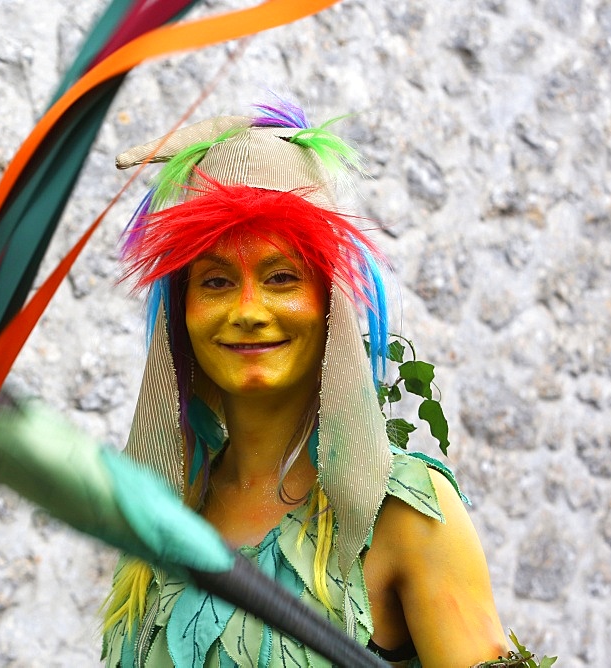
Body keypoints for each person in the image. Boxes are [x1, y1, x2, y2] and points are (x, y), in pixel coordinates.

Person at [99, 100, 508, 667]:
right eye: (216, 280)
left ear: (330, 304)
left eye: (281, 277)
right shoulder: (168, 512)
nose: (248, 310)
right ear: (181, 312)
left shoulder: (405, 514)